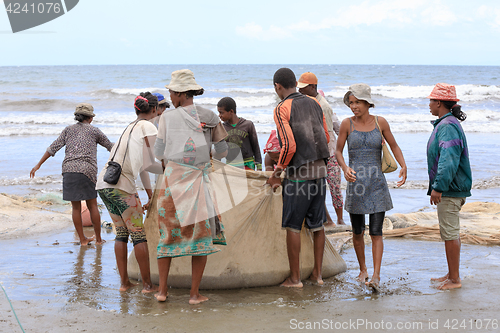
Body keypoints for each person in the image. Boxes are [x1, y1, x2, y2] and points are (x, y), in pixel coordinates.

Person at [154, 69, 228, 304]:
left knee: (167, 237)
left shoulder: (166, 117)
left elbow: (158, 153)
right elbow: (223, 151)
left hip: (172, 184)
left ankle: (162, 292)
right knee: (200, 240)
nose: (170, 97)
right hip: (198, 182)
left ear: (179, 93)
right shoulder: (209, 116)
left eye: (171, 93)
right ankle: (194, 295)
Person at [335, 83, 407, 292]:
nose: (353, 106)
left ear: (367, 103)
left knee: (376, 232)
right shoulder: (347, 124)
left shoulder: (380, 122)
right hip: (355, 183)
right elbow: (338, 151)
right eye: (351, 102)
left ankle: (375, 275)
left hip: (376, 183)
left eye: (357, 102)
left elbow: (393, 145)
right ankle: (363, 269)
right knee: (357, 231)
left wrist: (403, 165)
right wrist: (344, 167)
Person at [266, 68, 330, 287]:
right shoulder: (315, 103)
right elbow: (326, 136)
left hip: (299, 176)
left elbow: (289, 145)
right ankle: (317, 275)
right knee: (317, 225)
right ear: (296, 82)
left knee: (293, 226)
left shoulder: (282, 108)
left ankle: (295, 279)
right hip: (321, 172)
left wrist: (277, 173)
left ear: (278, 87)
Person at [96, 92, 162, 293]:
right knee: (139, 235)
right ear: (154, 110)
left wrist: (150, 194)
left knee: (121, 234)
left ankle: (124, 284)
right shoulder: (148, 126)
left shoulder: (128, 128)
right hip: (121, 186)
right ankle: (148, 286)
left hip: (104, 185)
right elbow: (154, 160)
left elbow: (142, 166)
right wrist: (170, 167)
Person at [30, 103, 113, 246]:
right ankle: (99, 240)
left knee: (75, 207)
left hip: (69, 170)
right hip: (88, 170)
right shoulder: (95, 131)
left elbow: (52, 148)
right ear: (91, 118)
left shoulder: (68, 130)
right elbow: (111, 147)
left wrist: (38, 164)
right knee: (92, 205)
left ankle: (82, 240)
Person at [426, 83, 471, 290]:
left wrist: (438, 187)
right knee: (451, 232)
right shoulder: (447, 123)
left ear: (439, 103)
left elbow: (448, 160)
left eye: (431, 101)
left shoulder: (446, 126)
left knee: (450, 233)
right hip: (451, 187)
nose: (429, 104)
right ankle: (451, 273)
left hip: (450, 189)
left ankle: (455, 280)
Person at [297, 72, 344, 225]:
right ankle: (330, 219)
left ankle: (338, 219)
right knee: (320, 186)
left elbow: (328, 132)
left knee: (333, 186)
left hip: (327, 153)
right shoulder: (310, 102)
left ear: (313, 87)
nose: (300, 91)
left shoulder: (322, 105)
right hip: (321, 152)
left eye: (303, 88)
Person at [217, 97, 262, 170]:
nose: (219, 115)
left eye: (221, 112)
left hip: (248, 164)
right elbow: (220, 150)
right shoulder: (222, 128)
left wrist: (259, 166)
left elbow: (255, 146)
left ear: (231, 111)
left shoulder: (248, 125)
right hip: (231, 166)